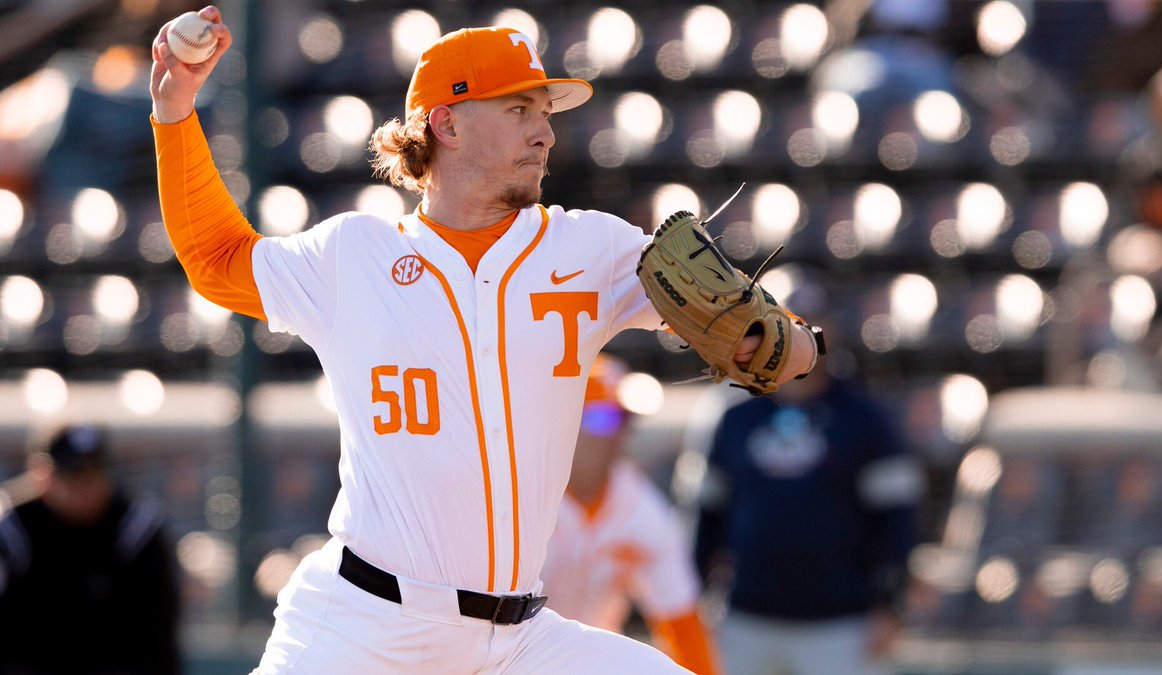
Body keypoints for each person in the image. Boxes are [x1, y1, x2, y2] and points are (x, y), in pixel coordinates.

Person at [148, 6, 822, 672]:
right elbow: (215, 258)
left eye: (546, 113)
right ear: (447, 123)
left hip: (520, 639)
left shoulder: (591, 247)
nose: (545, 134)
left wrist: (789, 342)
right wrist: (176, 111)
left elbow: (771, 336)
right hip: (365, 626)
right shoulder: (352, 256)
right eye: (519, 110)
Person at [678, 299, 920, 675]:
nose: (798, 328)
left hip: (842, 623)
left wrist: (891, 606)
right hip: (744, 618)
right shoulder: (732, 414)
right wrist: (691, 600)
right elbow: (704, 515)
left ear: (832, 331)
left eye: (812, 319)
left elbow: (897, 520)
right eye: (787, 317)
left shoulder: (865, 417)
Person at [541, 354, 722, 675]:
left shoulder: (639, 507)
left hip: (593, 665)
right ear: (559, 420)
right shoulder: (520, 501)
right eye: (601, 418)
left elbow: (681, 620)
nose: (616, 434)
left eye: (624, 419)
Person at [0, 425, 181, 675]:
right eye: (75, 474)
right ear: (43, 475)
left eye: (97, 472)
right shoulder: (13, 528)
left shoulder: (136, 527)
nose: (88, 485)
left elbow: (158, 637)